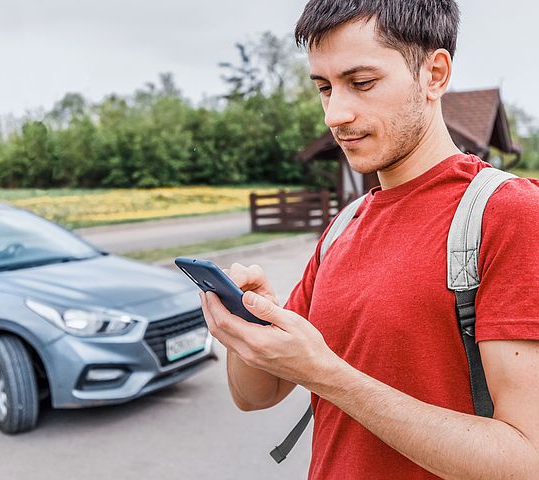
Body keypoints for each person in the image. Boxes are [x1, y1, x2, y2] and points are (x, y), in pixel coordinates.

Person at [200, 0, 539, 478]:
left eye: (362, 83)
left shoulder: (509, 213)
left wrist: (328, 377)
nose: (334, 115)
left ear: (434, 75)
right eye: (324, 88)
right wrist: (243, 330)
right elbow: (255, 395)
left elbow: (527, 460)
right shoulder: (345, 224)